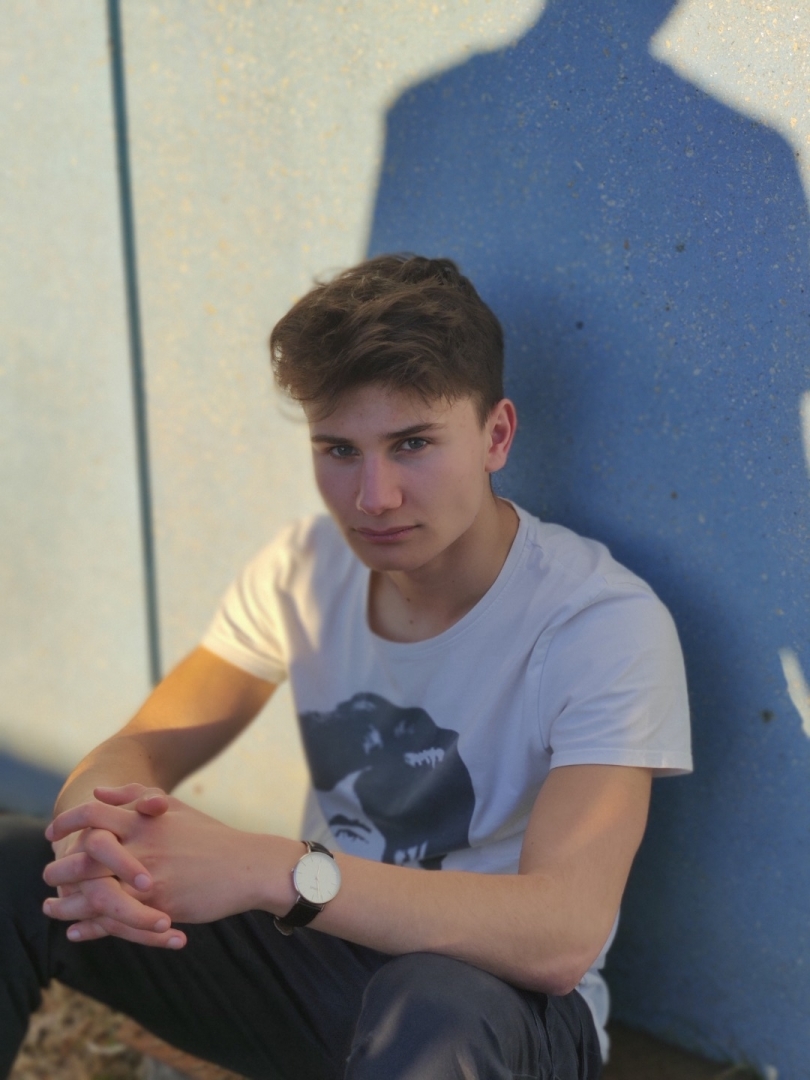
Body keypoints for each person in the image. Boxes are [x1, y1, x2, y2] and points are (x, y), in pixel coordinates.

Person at [0, 254, 691, 1080]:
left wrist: (269, 868)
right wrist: (96, 830)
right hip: (320, 958)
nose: (374, 496)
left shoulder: (599, 626)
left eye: (412, 444)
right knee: (12, 865)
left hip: (498, 1011)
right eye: (338, 449)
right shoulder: (305, 571)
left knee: (436, 1001)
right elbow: (140, 747)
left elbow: (561, 936)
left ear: (496, 436)